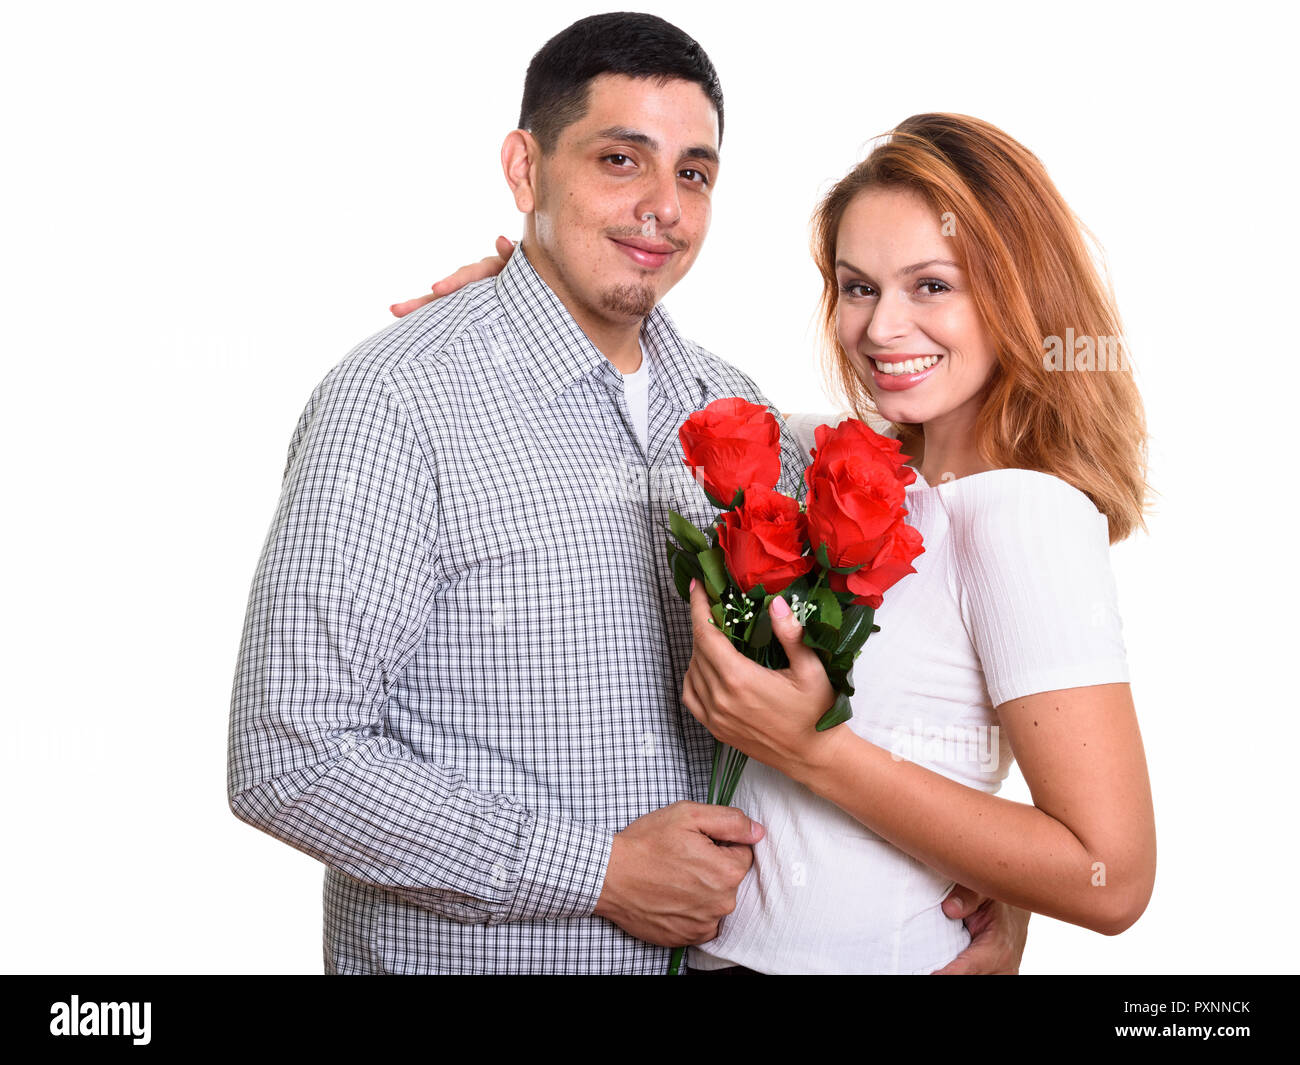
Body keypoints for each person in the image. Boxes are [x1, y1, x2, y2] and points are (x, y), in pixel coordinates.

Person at [229, 13, 1028, 974]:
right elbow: (289, 756)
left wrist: (984, 870)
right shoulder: (398, 403)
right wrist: (597, 871)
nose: (663, 207)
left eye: (693, 172)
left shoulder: (737, 411)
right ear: (525, 170)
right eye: (620, 159)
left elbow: (881, 631)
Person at [678, 114, 1156, 973]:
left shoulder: (1026, 514)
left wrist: (813, 751)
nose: (881, 329)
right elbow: (659, 390)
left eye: (930, 286)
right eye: (858, 287)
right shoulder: (854, 465)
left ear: (1019, 292)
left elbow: (1112, 876)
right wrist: (524, 291)